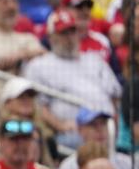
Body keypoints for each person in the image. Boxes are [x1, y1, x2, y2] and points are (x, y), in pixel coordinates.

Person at [23, 9, 120, 148]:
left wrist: (115, 125)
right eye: (63, 33)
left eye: (73, 31)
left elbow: (115, 97)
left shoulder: (94, 60)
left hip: (107, 129)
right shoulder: (39, 65)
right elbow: (37, 105)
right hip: (72, 133)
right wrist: (60, 125)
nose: (70, 38)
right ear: (51, 37)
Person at [55, 108, 135, 169]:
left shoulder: (126, 162)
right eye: (93, 125)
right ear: (80, 130)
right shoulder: (69, 166)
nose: (100, 130)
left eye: (103, 124)